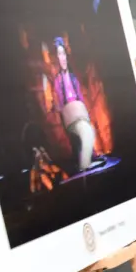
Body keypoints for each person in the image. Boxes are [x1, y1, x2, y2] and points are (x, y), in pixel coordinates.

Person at [51, 37, 97, 173]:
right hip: (70, 116)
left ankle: (86, 161)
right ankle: (83, 163)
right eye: (59, 54)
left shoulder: (73, 77)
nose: (63, 58)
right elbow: (59, 103)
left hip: (79, 112)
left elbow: (80, 96)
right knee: (84, 133)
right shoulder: (57, 81)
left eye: (64, 54)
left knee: (88, 131)